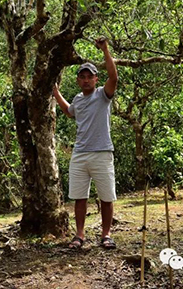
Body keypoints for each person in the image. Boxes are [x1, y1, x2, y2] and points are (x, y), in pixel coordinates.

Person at [53, 37, 118, 250]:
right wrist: (55, 92)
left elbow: (114, 77)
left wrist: (105, 50)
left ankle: (106, 234)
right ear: (78, 81)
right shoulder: (78, 100)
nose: (86, 80)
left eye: (90, 76)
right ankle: (79, 235)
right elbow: (68, 111)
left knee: (106, 197)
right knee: (79, 197)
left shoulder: (103, 95)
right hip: (80, 154)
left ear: (96, 79)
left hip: (102, 152)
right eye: (82, 77)